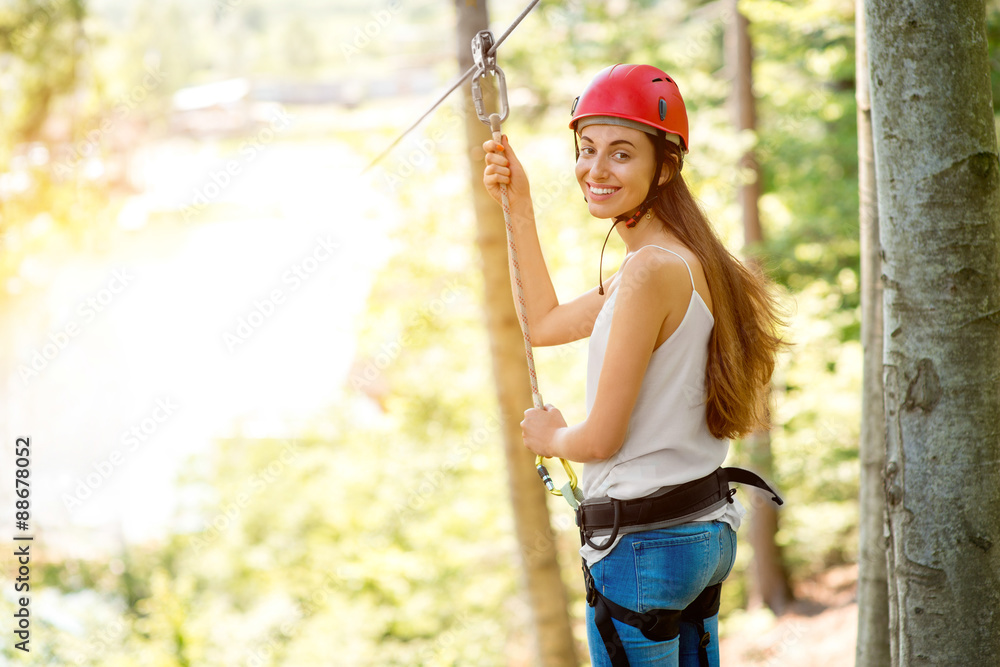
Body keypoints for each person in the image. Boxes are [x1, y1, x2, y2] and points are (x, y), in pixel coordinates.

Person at [482, 64, 785, 667]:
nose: (595, 170)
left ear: (665, 165)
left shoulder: (651, 271)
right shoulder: (681, 261)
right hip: (702, 531)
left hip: (647, 546)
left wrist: (552, 437)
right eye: (586, 149)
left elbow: (601, 438)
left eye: (621, 153)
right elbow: (542, 324)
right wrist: (518, 203)